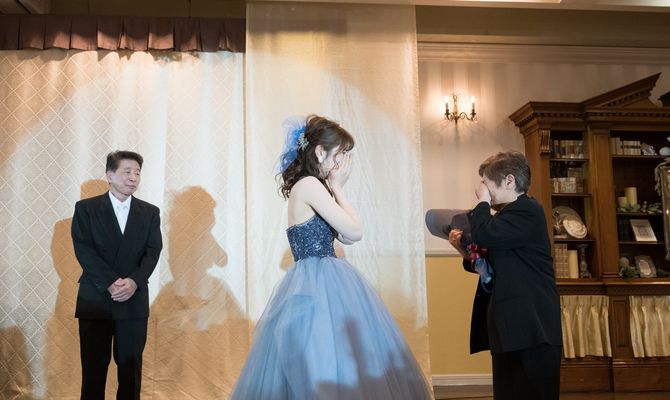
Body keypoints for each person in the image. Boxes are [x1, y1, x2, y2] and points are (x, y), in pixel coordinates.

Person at [231, 115, 432, 399]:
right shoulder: (309, 185)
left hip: (322, 280)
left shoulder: (316, 186)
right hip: (316, 285)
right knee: (322, 361)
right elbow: (355, 231)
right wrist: (338, 187)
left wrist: (336, 188)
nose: (344, 162)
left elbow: (347, 237)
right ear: (319, 152)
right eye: (340, 154)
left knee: (334, 361)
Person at [448, 151, 562, 400]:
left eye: (486, 184)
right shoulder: (506, 217)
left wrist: (482, 202)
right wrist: (462, 251)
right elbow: (490, 267)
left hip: (532, 326)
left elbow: (484, 234)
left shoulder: (528, 210)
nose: (483, 190)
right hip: (509, 325)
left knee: (534, 393)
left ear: (509, 181)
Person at [71, 150, 163, 400]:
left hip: (133, 299)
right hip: (96, 298)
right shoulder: (86, 208)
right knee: (93, 368)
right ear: (109, 175)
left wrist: (133, 281)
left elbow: (153, 252)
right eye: (127, 172)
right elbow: (83, 249)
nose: (133, 177)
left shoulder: (150, 212)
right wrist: (110, 283)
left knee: (131, 368)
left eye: (137, 173)